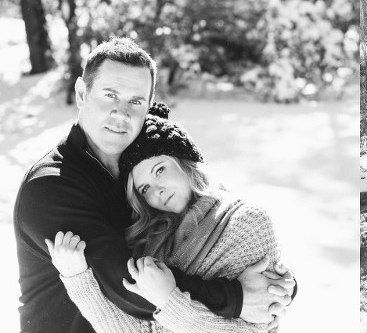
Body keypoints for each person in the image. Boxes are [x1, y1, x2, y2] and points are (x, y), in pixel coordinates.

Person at [14, 38, 292, 332]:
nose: (121, 113)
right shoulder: (51, 187)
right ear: (82, 93)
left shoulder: (135, 166)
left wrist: (276, 282)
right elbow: (129, 286)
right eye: (110, 95)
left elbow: (207, 215)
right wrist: (236, 297)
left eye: (135, 101)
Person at [45, 102, 295, 332]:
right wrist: (77, 278)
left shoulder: (248, 222)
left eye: (160, 170)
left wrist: (169, 300)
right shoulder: (151, 246)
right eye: (144, 189)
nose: (157, 190)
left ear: (186, 163)